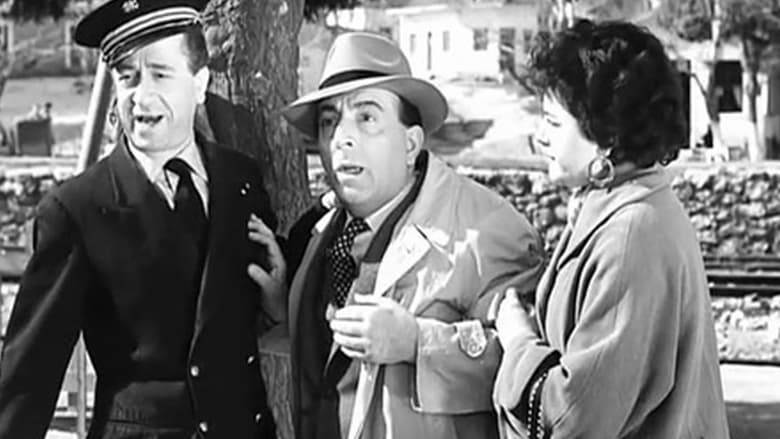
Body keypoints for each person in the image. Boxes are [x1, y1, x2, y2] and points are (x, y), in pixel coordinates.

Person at [0, 1, 279, 437]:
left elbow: (234, 318)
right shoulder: (78, 208)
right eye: (127, 76)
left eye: (161, 75)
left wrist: (278, 304)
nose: (142, 96)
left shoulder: (241, 180)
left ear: (200, 83)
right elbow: (30, 374)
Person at [248, 31, 544, 439]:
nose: (342, 138)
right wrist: (288, 311)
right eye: (329, 122)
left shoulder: (487, 230)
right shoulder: (318, 232)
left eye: (366, 118)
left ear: (410, 143)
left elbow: (532, 376)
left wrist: (417, 343)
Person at [492, 19, 730, 439]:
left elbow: (574, 416)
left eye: (553, 123)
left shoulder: (629, 236)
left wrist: (517, 341)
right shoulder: (623, 208)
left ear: (606, 136)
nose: (539, 137)